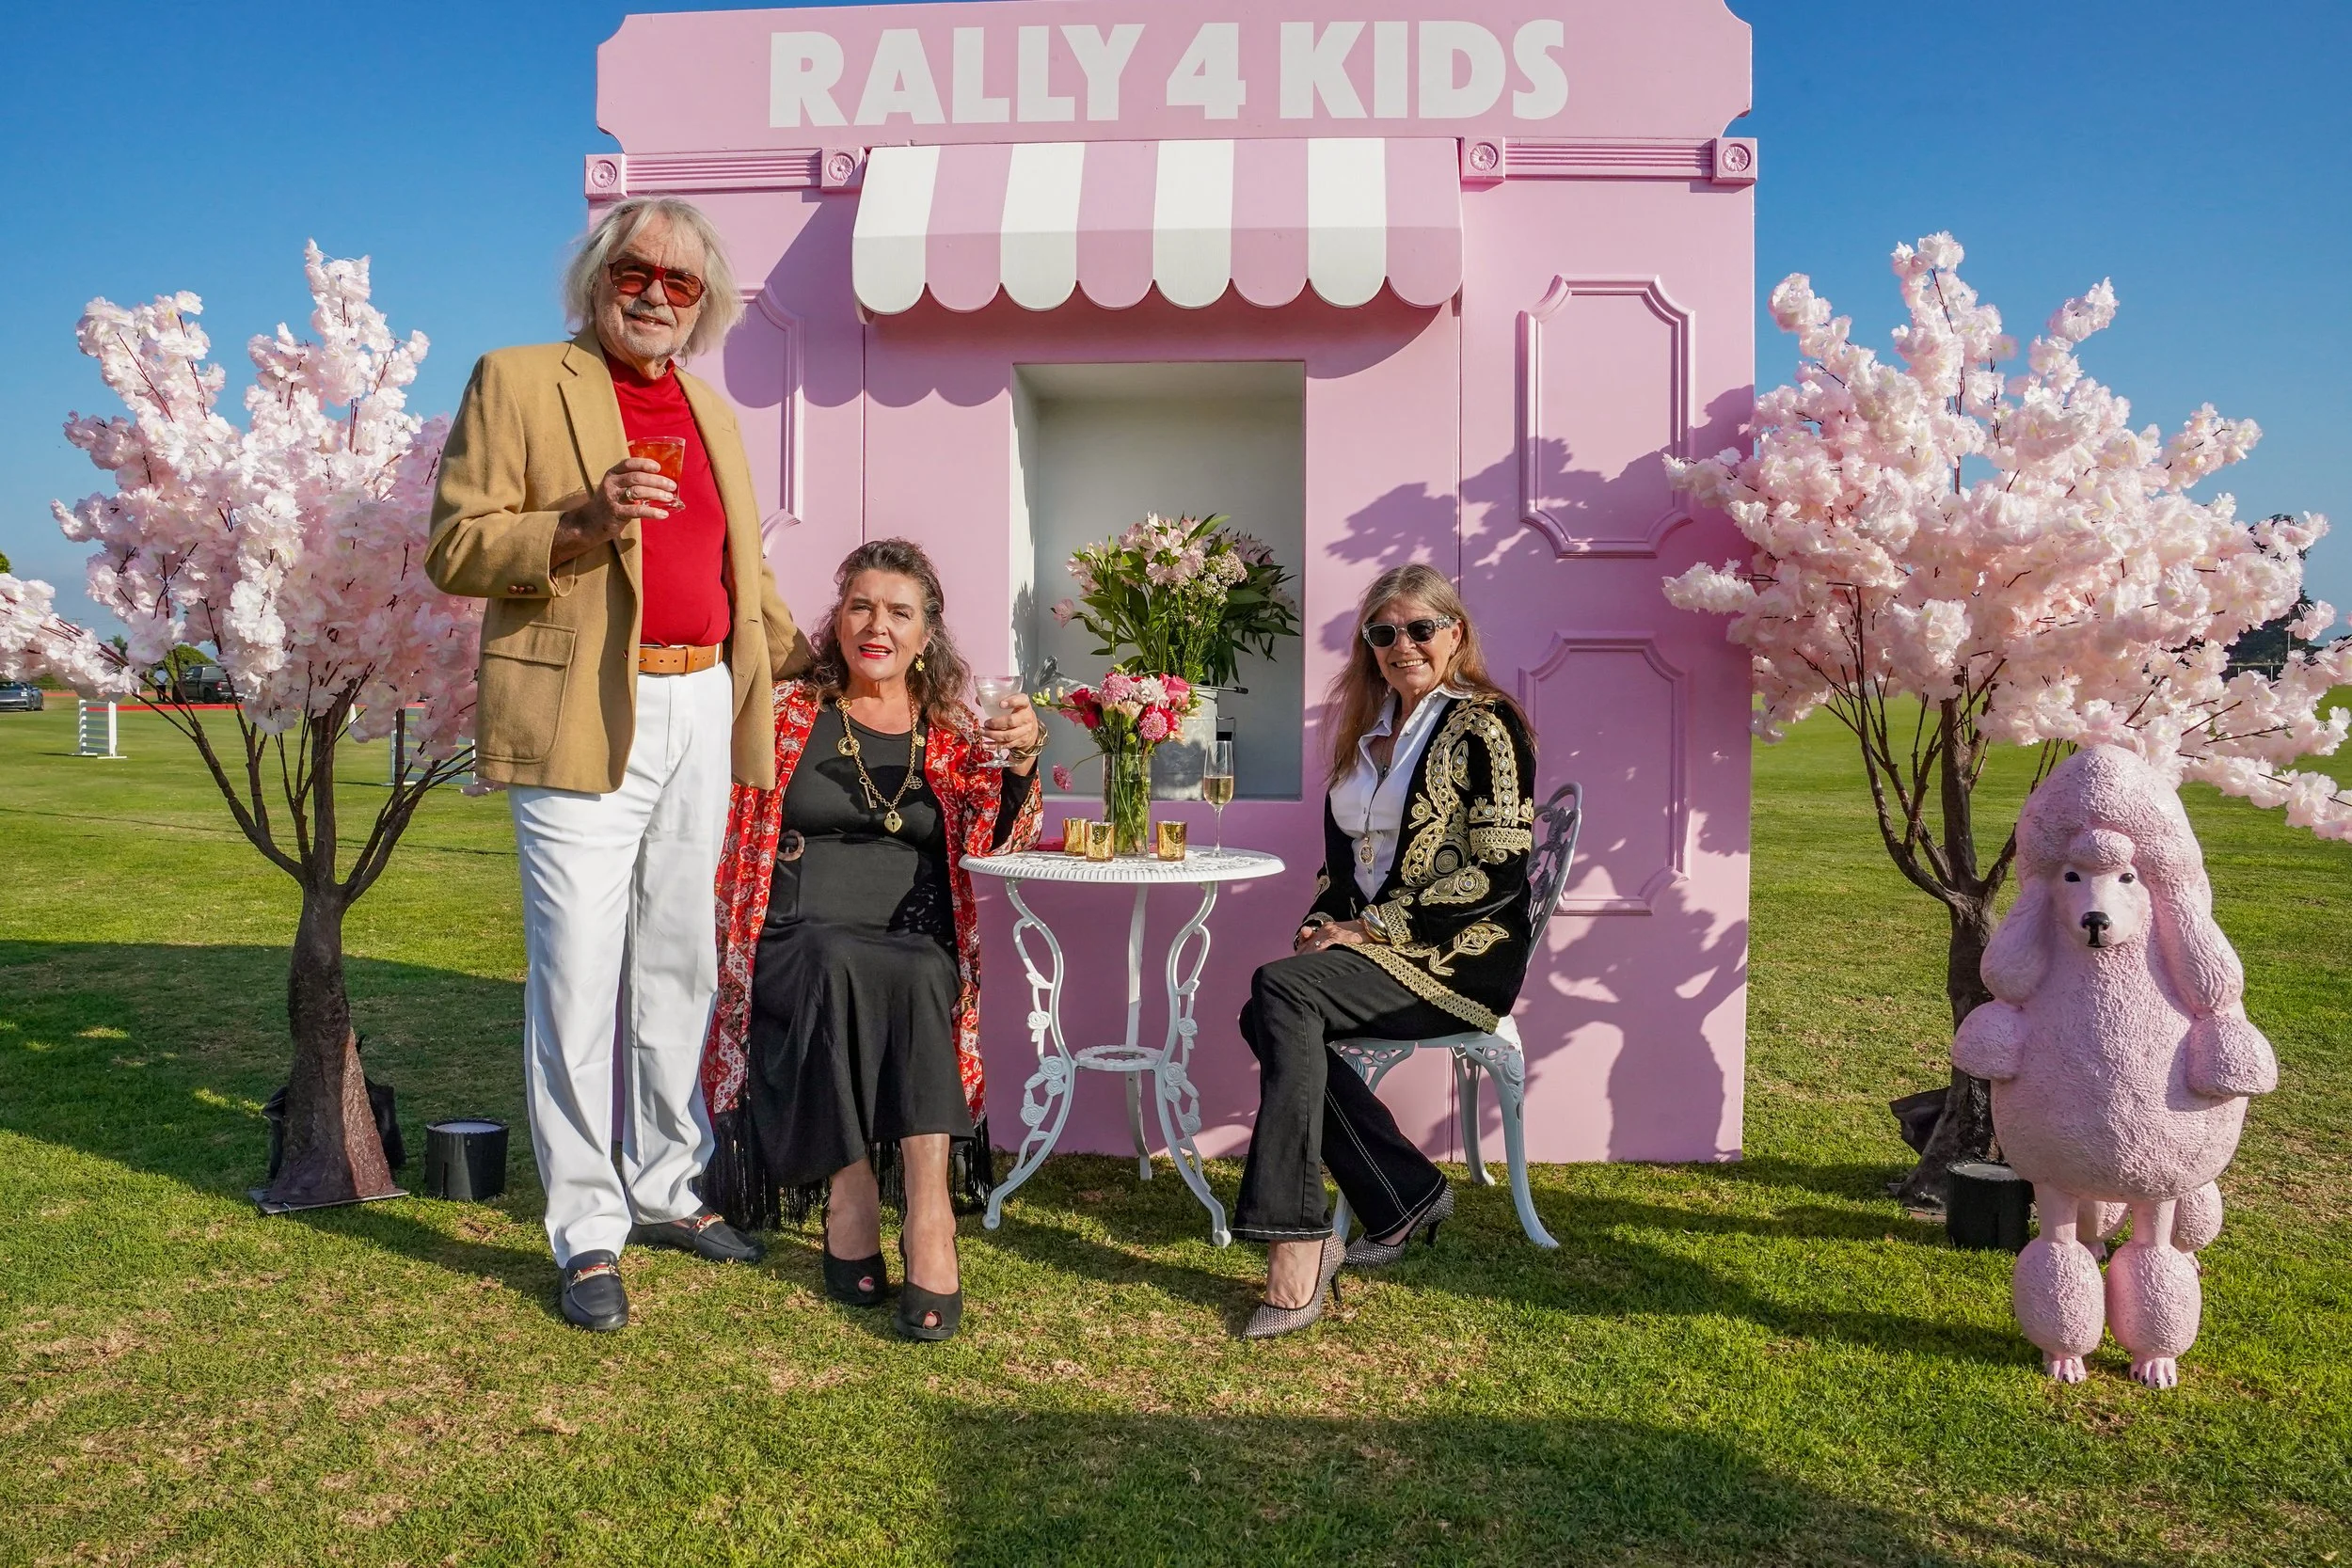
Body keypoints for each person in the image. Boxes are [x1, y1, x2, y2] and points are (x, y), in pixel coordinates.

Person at [426, 198, 813, 1333]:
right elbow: (455, 543)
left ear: (706, 306)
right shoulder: (517, 377)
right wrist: (581, 520)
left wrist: (806, 655)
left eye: (681, 284)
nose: (654, 294)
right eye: (635, 272)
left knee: (678, 962)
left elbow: (744, 569)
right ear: (598, 276)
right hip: (583, 705)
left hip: (702, 697)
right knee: (578, 972)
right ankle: (588, 1228)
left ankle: (664, 1185)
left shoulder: (711, 407)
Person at [701, 539, 1043, 1341]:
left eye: (898, 611)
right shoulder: (789, 713)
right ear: (838, 618)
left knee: (925, 973)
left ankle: (929, 1215)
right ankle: (851, 1190)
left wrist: (1024, 757)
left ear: (928, 634)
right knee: (835, 961)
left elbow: (998, 833)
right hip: (795, 934)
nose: (876, 625)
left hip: (912, 935)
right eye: (860, 606)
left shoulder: (956, 731)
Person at [1232, 563, 1539, 1338]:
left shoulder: (1486, 725)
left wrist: (1371, 929)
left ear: (1454, 634)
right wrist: (1322, 921)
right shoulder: (1366, 737)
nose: (1402, 645)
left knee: (1279, 996)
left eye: (1419, 628)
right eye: (1383, 633)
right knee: (1268, 1005)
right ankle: (1400, 1191)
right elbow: (1345, 872)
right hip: (1379, 949)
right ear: (1368, 646)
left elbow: (1499, 871)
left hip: (1462, 954)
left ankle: (1296, 1243)